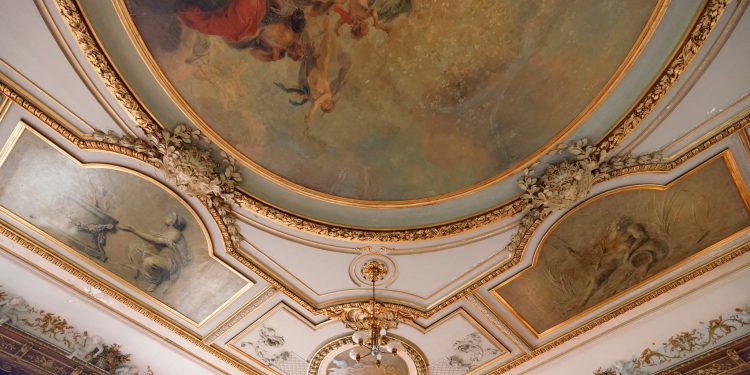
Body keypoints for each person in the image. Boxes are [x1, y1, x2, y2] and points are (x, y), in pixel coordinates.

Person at [119, 213, 192, 293]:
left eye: (170, 217)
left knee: (148, 261)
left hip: (174, 262)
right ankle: (154, 274)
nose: (167, 216)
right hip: (166, 258)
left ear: (173, 222)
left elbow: (156, 240)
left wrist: (133, 230)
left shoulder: (175, 233)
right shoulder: (167, 233)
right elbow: (155, 241)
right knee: (143, 250)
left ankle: (155, 281)